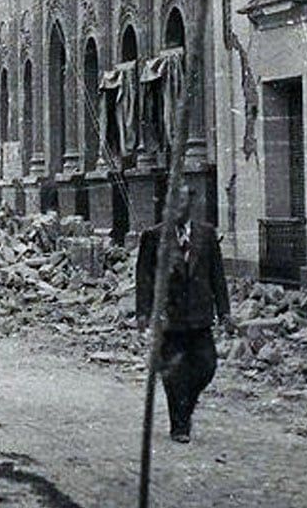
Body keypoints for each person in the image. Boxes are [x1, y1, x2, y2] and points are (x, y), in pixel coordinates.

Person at [135, 184, 234, 444]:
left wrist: (224, 312)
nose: (175, 209)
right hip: (170, 319)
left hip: (200, 316)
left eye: (180, 203)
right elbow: (144, 278)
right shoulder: (154, 237)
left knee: (206, 366)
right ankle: (180, 425)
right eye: (171, 203)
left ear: (189, 205)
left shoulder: (207, 234)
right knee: (174, 373)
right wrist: (144, 313)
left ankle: (186, 404)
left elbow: (217, 276)